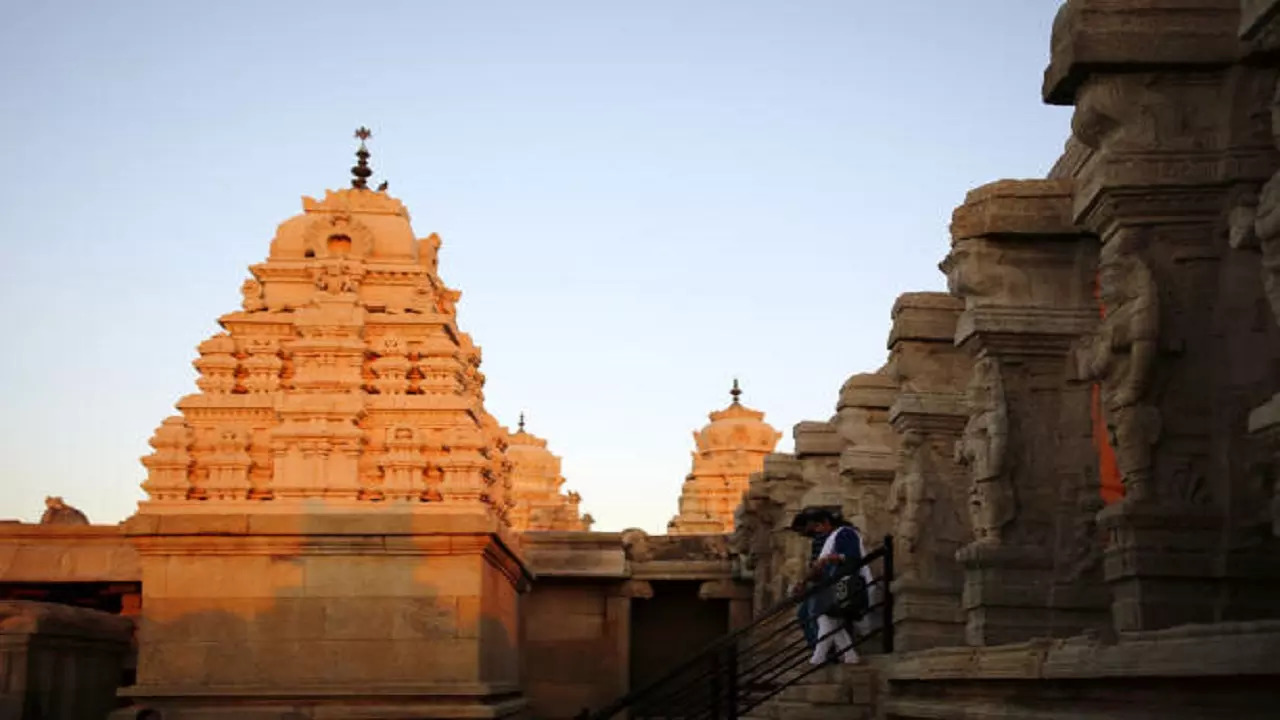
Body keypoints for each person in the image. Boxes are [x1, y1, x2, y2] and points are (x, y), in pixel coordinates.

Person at [796, 508, 871, 665]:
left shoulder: (845, 533)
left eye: (818, 527)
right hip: (834, 583)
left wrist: (830, 558)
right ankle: (848, 655)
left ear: (826, 523)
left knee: (827, 617)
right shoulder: (834, 536)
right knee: (831, 620)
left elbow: (852, 557)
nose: (816, 531)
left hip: (843, 582)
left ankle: (819, 657)